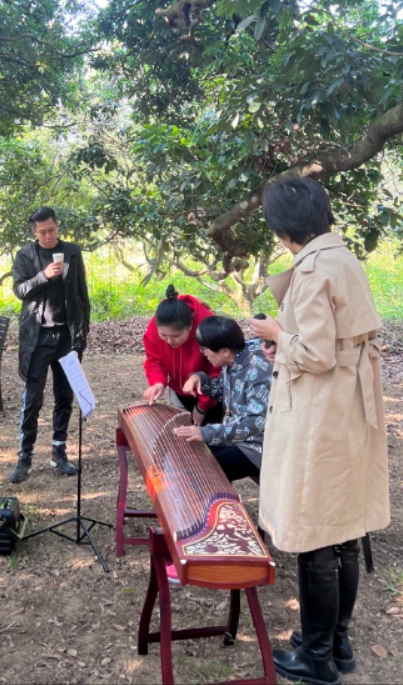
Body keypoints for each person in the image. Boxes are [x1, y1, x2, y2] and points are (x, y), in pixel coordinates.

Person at [250, 177, 390, 685]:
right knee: (344, 529)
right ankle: (336, 642)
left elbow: (314, 353)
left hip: (320, 411)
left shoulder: (311, 269)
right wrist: (285, 341)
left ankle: (316, 659)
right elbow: (331, 340)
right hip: (347, 407)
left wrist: (275, 334)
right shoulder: (343, 258)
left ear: (283, 226)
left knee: (314, 537)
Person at [9, 206, 90, 483]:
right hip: (38, 337)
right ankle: (25, 457)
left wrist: (82, 334)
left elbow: (82, 294)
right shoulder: (25, 255)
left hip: (67, 336)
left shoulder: (72, 252)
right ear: (34, 232)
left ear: (57, 227)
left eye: (52, 230)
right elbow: (19, 290)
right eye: (42, 232)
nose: (48, 236)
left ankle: (59, 451)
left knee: (64, 395)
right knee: (33, 398)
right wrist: (43, 276)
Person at [175, 315, 272, 482]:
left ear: (225, 351)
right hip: (237, 438)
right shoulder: (235, 358)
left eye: (206, 349)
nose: (204, 353)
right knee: (192, 452)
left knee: (203, 472)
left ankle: (219, 500)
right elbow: (223, 390)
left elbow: (255, 423)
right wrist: (201, 379)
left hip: (257, 446)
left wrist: (206, 432)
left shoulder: (258, 370)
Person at [142, 285, 222, 424]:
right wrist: (157, 382)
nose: (169, 341)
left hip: (210, 393)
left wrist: (203, 407)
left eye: (176, 336)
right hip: (178, 390)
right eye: (163, 335)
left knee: (209, 431)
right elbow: (154, 361)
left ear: (190, 326)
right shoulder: (156, 326)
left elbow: (217, 372)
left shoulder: (208, 329)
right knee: (181, 429)